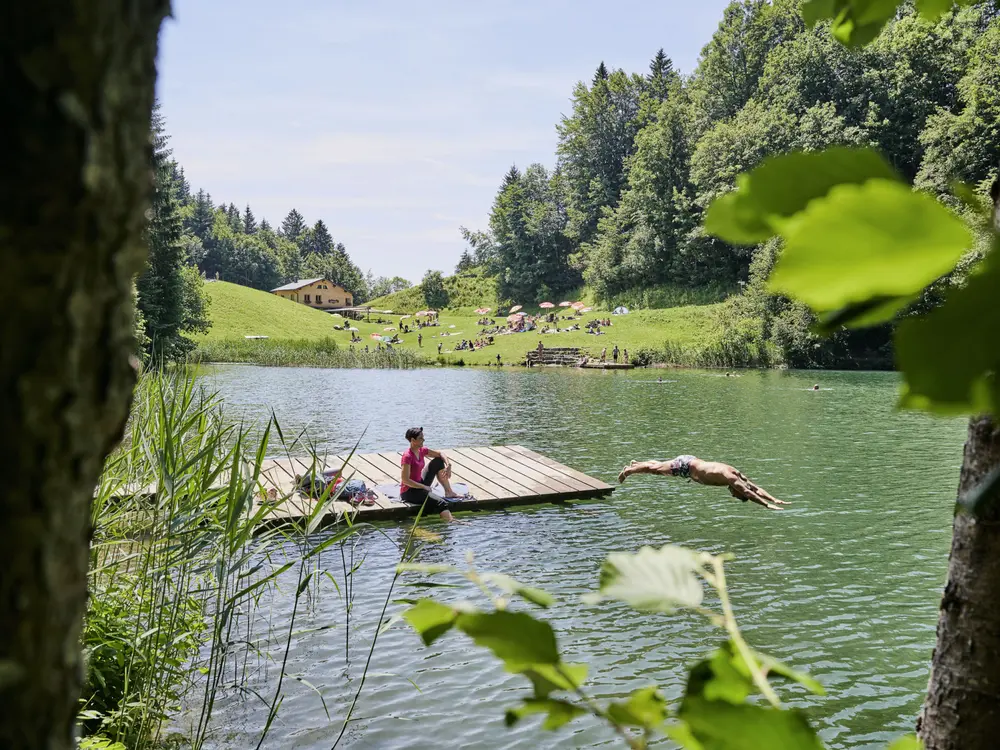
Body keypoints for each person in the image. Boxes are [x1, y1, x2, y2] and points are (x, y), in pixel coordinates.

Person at [617, 455, 787, 510]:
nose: (733, 495)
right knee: (656, 470)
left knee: (658, 469)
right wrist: (766, 505)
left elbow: (755, 488)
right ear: (738, 491)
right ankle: (629, 471)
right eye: (736, 495)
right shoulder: (732, 479)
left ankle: (636, 465)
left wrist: (774, 499)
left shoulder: (738, 476)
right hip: (687, 466)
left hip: (689, 467)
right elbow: (750, 493)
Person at [400, 427, 461, 521]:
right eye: (421, 438)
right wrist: (423, 487)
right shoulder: (407, 456)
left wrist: (448, 465)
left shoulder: (422, 450)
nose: (423, 440)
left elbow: (441, 454)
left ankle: (449, 492)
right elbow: (405, 480)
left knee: (438, 461)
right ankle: (451, 522)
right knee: (441, 503)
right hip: (409, 492)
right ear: (412, 440)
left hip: (420, 484)